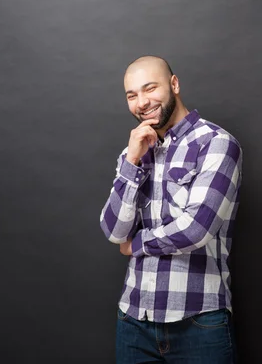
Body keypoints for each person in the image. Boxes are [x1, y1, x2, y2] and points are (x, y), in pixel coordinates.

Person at [99, 56, 242, 363]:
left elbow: (195, 228)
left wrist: (135, 245)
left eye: (150, 88)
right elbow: (113, 231)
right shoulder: (132, 152)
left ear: (174, 84)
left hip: (198, 321)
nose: (142, 102)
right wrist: (131, 163)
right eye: (132, 95)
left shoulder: (216, 144)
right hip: (134, 320)